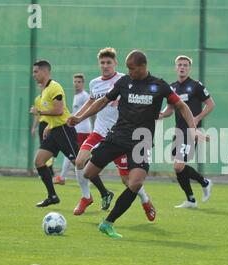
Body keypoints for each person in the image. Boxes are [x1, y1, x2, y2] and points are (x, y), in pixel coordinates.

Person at [68, 49, 197, 238]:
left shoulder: (159, 85)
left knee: (134, 183)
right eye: (127, 68)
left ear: (143, 67)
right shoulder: (124, 82)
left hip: (141, 141)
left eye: (132, 68)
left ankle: (108, 223)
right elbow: (102, 101)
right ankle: (98, 196)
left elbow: (182, 106)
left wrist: (193, 129)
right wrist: (79, 118)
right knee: (87, 172)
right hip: (117, 136)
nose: (129, 72)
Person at [70, 47, 156, 218]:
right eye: (102, 63)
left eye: (109, 62)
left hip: (119, 136)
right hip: (99, 132)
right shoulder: (95, 83)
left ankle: (145, 200)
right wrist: (78, 117)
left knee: (128, 181)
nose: (105, 65)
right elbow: (92, 101)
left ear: (115, 63)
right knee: (80, 161)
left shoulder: (125, 79)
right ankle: (86, 197)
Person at [159, 55, 214, 208]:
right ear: (175, 67)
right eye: (179, 65)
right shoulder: (172, 87)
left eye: (185, 65)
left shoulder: (196, 86)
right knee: (178, 167)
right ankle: (191, 199)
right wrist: (161, 115)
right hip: (178, 131)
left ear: (189, 68)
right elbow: (169, 110)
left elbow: (210, 104)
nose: (182, 67)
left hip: (191, 131)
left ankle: (205, 182)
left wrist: (197, 118)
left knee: (178, 166)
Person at [30, 59, 80, 207]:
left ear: (45, 72)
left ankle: (104, 192)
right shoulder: (44, 91)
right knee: (39, 161)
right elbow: (52, 114)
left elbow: (58, 111)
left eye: (36, 71)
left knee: (79, 163)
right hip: (54, 130)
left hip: (64, 129)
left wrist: (39, 112)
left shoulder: (54, 87)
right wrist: (49, 126)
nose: (34, 75)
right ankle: (52, 196)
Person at [53, 74, 92, 185]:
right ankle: (88, 177)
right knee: (77, 155)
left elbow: (90, 110)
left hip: (82, 129)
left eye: (79, 82)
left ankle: (62, 177)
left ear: (83, 83)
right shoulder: (77, 96)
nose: (76, 84)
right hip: (78, 128)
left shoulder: (85, 96)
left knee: (71, 153)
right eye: (75, 81)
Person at [31, 83, 55, 177]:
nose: (41, 87)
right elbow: (37, 115)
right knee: (43, 146)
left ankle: (50, 169)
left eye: (43, 85)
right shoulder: (38, 99)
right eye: (40, 86)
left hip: (49, 124)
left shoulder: (49, 98)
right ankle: (46, 169)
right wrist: (34, 127)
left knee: (49, 147)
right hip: (42, 125)